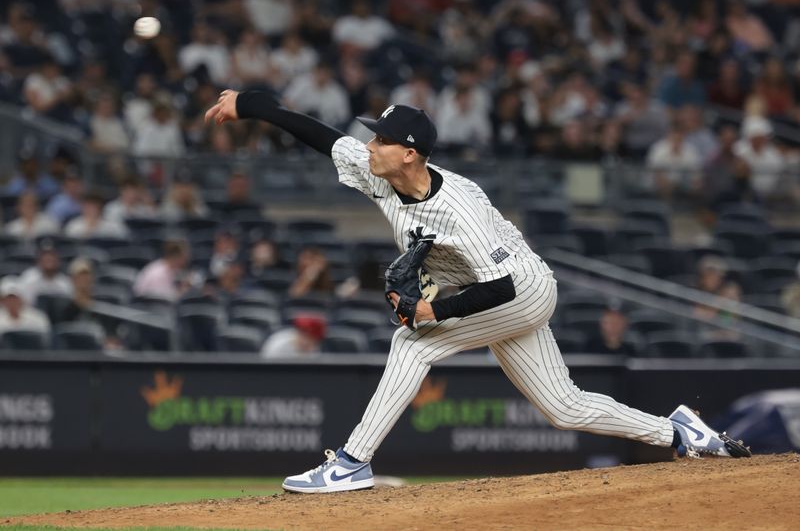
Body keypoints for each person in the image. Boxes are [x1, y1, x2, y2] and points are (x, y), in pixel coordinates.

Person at [205, 89, 751, 494]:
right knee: (564, 407)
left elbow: (504, 285)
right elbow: (322, 136)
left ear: (411, 153)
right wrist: (251, 104)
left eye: (383, 139)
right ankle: (680, 433)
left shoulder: (458, 208)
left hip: (521, 289)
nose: (371, 145)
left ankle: (352, 462)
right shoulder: (381, 171)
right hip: (487, 287)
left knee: (415, 342)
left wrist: (431, 308)